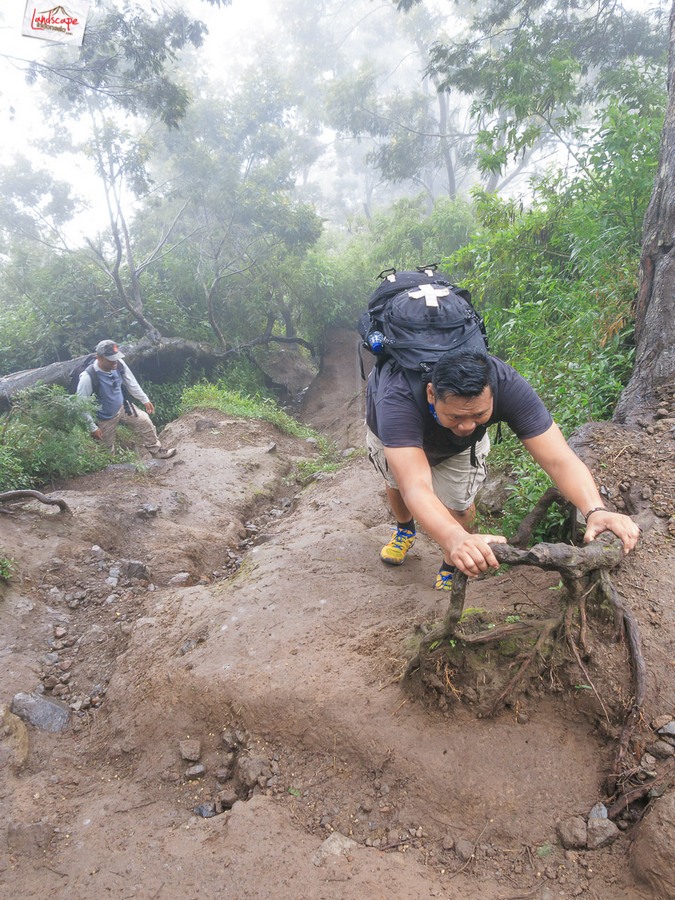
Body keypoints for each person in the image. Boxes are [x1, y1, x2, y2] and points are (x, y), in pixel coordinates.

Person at [366, 349, 639, 589]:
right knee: (397, 483)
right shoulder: (396, 398)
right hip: (395, 433)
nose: (466, 426)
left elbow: (559, 459)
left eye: (479, 415)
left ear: (493, 394)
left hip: (459, 449)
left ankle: (451, 561)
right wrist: (454, 537)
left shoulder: (507, 385)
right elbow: (415, 484)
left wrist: (595, 509)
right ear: (430, 393)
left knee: (460, 507)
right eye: (456, 416)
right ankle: (405, 529)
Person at [76, 340, 177, 459]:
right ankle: (110, 467)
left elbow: (131, 382)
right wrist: (92, 427)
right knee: (106, 449)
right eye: (110, 359)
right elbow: (80, 405)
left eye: (116, 358)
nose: (114, 362)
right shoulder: (88, 377)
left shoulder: (118, 364)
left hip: (123, 407)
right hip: (104, 417)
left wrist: (144, 399)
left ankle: (157, 451)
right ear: (99, 357)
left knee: (144, 421)